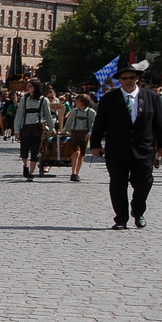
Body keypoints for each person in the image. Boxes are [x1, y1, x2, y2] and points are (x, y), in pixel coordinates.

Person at [90, 63, 162, 230]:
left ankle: (138, 211)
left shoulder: (151, 97)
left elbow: (159, 123)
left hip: (144, 148)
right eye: (125, 78)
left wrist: (160, 145)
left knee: (145, 181)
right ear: (119, 80)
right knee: (118, 184)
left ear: (137, 78)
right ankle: (121, 218)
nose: (128, 81)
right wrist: (95, 144)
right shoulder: (109, 98)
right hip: (117, 149)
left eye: (132, 77)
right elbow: (100, 123)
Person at [13, 78, 54, 182]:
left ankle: (31, 172)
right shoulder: (24, 99)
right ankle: (25, 165)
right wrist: (16, 130)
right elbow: (19, 114)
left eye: (30, 86)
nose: (27, 88)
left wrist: (52, 128)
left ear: (35, 87)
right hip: (26, 126)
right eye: (27, 86)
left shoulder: (43, 100)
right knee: (24, 150)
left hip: (38, 126)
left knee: (35, 151)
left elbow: (48, 115)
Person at [62, 93, 96, 182]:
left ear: (82, 102)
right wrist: (64, 131)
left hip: (85, 134)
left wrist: (90, 133)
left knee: (81, 155)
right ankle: (73, 173)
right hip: (75, 133)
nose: (75, 102)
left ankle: (77, 173)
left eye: (77, 100)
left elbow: (95, 124)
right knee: (76, 152)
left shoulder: (91, 112)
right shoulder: (74, 111)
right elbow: (69, 122)